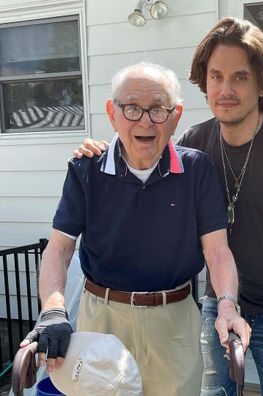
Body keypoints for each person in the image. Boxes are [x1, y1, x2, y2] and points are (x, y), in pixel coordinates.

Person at [76, 17, 263, 396]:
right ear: (204, 81)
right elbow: (143, 140)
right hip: (215, 305)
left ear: (262, 82)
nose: (225, 89)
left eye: (239, 77)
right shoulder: (194, 142)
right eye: (216, 76)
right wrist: (99, 149)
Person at [20, 62, 251, 396]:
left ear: (176, 116)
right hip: (102, 319)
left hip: (175, 322)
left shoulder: (198, 168)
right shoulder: (86, 168)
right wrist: (53, 309)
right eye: (132, 108)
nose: (145, 121)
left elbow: (217, 250)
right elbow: (59, 248)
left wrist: (228, 304)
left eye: (158, 109)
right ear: (112, 113)